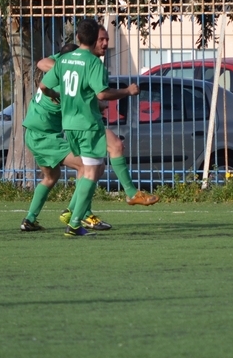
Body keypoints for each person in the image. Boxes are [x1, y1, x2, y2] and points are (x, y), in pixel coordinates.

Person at [56, 25, 159, 229]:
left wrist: (74, 99)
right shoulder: (92, 63)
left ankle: (73, 211)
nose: (105, 43)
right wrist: (127, 91)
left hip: (70, 123)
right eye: (101, 39)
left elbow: (47, 82)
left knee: (97, 164)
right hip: (87, 124)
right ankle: (76, 222)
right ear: (91, 39)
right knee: (97, 166)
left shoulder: (66, 60)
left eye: (107, 39)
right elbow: (102, 93)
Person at [19, 44, 85, 231]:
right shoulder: (66, 83)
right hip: (43, 136)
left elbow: (42, 63)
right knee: (85, 166)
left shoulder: (57, 69)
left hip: (33, 133)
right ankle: (73, 212)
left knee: (51, 176)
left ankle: (29, 219)